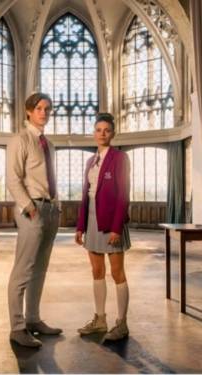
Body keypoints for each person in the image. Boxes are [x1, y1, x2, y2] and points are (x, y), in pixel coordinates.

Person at [6, 93, 61, 348]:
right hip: (32, 209)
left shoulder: (48, 144)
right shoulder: (20, 139)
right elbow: (13, 179)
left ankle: (33, 319)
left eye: (48, 109)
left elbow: (50, 178)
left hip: (50, 209)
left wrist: (56, 204)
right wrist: (30, 208)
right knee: (23, 269)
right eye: (39, 108)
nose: (44, 113)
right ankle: (17, 328)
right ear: (28, 111)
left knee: (41, 267)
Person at [75, 113, 131, 341]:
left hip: (112, 223)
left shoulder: (120, 158)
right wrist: (80, 227)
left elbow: (123, 195)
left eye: (106, 130)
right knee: (97, 272)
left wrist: (117, 228)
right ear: (93, 133)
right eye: (98, 130)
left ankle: (122, 323)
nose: (102, 134)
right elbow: (85, 196)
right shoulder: (91, 161)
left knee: (117, 273)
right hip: (91, 220)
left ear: (113, 133)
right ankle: (100, 319)